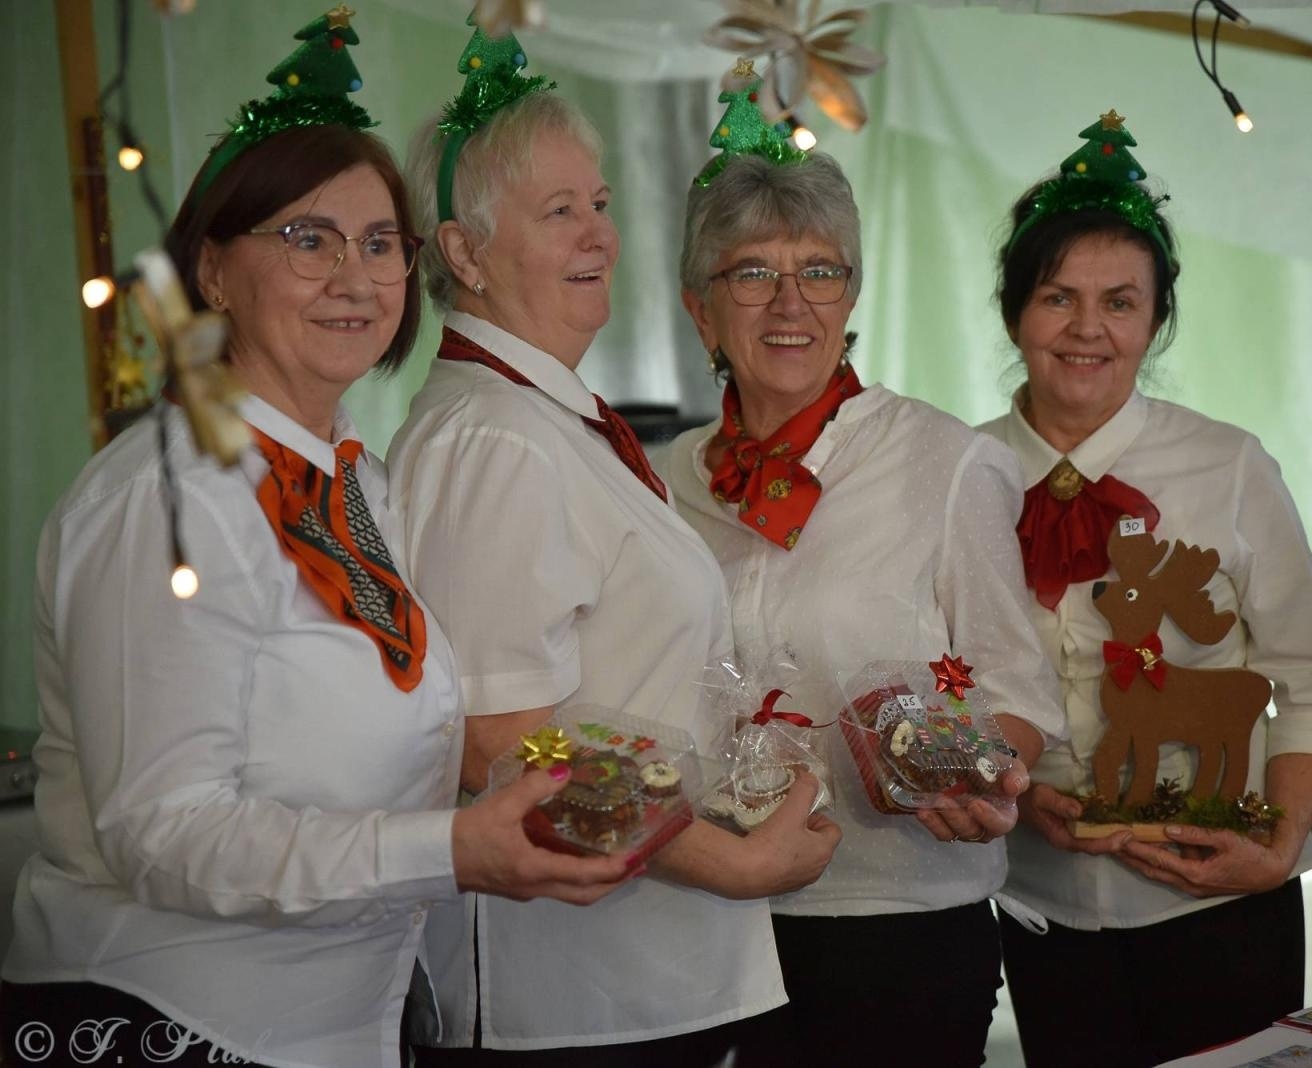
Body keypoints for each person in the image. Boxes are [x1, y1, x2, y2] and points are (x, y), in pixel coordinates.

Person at [0, 11, 629, 1068]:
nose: (356, 277)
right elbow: (165, 834)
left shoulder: (356, 482)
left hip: (347, 1025)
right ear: (213, 272)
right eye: (308, 239)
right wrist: (449, 849)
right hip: (175, 1017)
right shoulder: (165, 499)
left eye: (381, 244)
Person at [391, 37, 840, 1068]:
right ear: (464, 252)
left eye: (598, 203)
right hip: (569, 1003)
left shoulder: (542, 419)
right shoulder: (496, 440)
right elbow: (500, 741)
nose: (602, 233)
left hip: (635, 980)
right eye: (560, 212)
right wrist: (729, 864)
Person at [663, 89, 1066, 1068]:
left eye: (819, 271)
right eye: (752, 272)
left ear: (850, 298)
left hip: (896, 930)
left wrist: (980, 777)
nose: (790, 302)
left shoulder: (944, 463)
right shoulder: (664, 480)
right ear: (700, 307)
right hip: (710, 917)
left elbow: (1017, 688)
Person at [980, 110, 1312, 1067]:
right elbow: (943, 686)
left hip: (1221, 908)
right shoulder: (961, 475)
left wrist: (1278, 842)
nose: (1087, 329)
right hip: (1040, 910)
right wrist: (1010, 792)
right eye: (1058, 298)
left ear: (1154, 320)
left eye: (1120, 302)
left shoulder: (1229, 467)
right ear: (1015, 313)